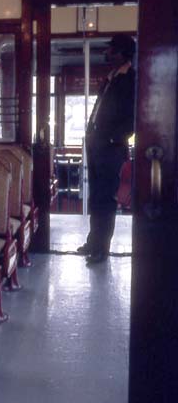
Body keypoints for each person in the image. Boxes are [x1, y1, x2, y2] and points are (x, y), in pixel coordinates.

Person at [77, 33, 136, 264]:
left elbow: (132, 117)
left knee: (106, 198)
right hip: (97, 144)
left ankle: (102, 249)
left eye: (111, 50)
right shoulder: (111, 78)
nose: (107, 53)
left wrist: (113, 139)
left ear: (122, 53)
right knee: (96, 197)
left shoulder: (129, 79)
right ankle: (93, 242)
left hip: (111, 147)